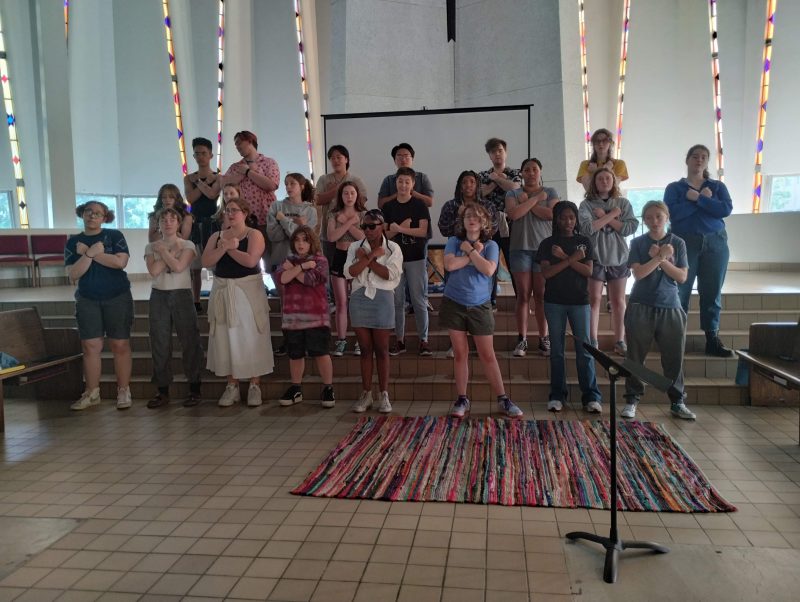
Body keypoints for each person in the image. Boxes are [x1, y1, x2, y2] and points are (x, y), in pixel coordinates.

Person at [443, 203, 523, 419]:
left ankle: (503, 399)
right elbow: (450, 266)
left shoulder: (490, 246)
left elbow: (488, 269)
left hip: (479, 304)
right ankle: (461, 398)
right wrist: (472, 254)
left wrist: (469, 251)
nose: (472, 220)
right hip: (454, 302)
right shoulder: (453, 241)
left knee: (487, 354)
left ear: (484, 222)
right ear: (463, 221)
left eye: (477, 217)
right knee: (460, 353)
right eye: (468, 216)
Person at [622, 201, 696, 421]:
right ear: (643, 220)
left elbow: (682, 277)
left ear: (667, 217)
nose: (654, 221)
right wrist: (660, 256)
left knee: (674, 357)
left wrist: (661, 258)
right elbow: (639, 274)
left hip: (670, 306)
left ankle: (677, 401)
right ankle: (632, 399)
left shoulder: (678, 243)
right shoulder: (637, 243)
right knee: (635, 356)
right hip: (640, 305)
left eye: (658, 217)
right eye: (649, 217)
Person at [202, 191, 274, 407]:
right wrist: (224, 246)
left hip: (247, 290)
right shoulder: (216, 236)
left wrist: (230, 249)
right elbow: (206, 261)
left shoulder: (254, 234)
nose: (230, 214)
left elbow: (251, 261)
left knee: (250, 336)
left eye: (235, 210)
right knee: (225, 337)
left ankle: (254, 385)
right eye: (227, 210)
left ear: (244, 213)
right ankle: (231, 385)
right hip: (223, 289)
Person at [664, 144, 734, 357]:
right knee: (680, 290)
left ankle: (712, 338)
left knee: (712, 291)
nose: (699, 160)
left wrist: (699, 199)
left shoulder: (717, 186)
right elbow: (673, 214)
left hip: (716, 243)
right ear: (687, 160)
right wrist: (699, 200)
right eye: (695, 156)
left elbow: (725, 210)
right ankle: (676, 338)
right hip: (684, 243)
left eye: (704, 157)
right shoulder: (675, 188)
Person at [65, 201, 133, 411]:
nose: (92, 216)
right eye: (88, 212)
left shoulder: (114, 236)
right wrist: (89, 254)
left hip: (117, 296)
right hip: (88, 298)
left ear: (105, 217)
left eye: (97, 213)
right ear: (82, 214)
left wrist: (93, 252)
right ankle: (92, 392)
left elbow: (120, 263)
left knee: (119, 345)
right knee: (90, 346)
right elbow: (73, 274)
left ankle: (123, 390)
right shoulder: (74, 242)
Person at [537, 201, 603, 413]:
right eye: (564, 217)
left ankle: (591, 397)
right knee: (557, 351)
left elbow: (588, 271)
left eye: (572, 217)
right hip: (554, 302)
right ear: (556, 219)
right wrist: (572, 259)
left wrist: (566, 258)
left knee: (585, 350)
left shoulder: (584, 242)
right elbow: (547, 273)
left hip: (580, 302)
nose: (568, 221)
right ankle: (557, 395)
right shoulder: (548, 244)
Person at [144, 207, 205, 408]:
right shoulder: (151, 246)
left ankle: (195, 388)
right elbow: (154, 271)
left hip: (182, 294)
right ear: (158, 224)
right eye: (164, 219)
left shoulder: (188, 244)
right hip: (159, 295)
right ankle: (162, 390)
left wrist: (163, 253)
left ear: (179, 223)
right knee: (160, 343)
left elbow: (179, 268)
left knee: (190, 341)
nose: (168, 222)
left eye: (172, 219)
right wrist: (169, 252)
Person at [344, 209, 403, 414]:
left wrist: (368, 259)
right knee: (365, 349)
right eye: (364, 226)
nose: (367, 230)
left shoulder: (393, 248)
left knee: (382, 348)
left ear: (382, 226)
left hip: (383, 297)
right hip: (360, 297)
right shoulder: (354, 246)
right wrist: (370, 256)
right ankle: (367, 393)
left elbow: (389, 274)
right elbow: (350, 272)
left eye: (372, 226)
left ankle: (384, 394)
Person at [579, 168, 639, 355]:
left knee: (618, 301)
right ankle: (592, 340)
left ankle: (620, 340)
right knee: (594, 300)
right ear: (594, 183)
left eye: (608, 178)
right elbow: (588, 229)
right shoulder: (587, 204)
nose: (604, 181)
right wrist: (612, 215)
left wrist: (607, 216)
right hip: (595, 257)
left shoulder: (623, 203)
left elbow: (629, 228)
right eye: (600, 178)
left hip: (618, 257)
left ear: (613, 181)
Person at [275, 226, 335, 409]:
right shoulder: (289, 260)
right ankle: (296, 388)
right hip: (293, 318)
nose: (300, 244)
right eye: (297, 240)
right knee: (295, 355)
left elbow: (310, 280)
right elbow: (282, 279)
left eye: (305, 240)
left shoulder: (320, 260)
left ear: (312, 242)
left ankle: (328, 388)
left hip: (316, 316)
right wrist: (301, 267)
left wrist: (294, 271)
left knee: (321, 353)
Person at [505, 158, 559, 358]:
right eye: (526, 170)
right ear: (521, 173)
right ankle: (522, 339)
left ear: (540, 171)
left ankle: (544, 339)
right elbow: (515, 214)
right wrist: (536, 200)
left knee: (541, 295)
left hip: (543, 250)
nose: (530, 173)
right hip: (519, 249)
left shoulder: (550, 192)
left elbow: (552, 215)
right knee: (523, 294)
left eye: (534, 169)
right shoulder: (512, 193)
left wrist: (529, 202)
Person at [377, 142, 435, 312]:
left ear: (412, 158)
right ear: (394, 160)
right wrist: (399, 191)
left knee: (419, 272)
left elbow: (430, 202)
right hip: (394, 235)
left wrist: (409, 190)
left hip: (418, 235)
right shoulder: (389, 180)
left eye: (406, 156)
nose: (403, 159)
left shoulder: (422, 178)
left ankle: (421, 301)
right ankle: (404, 303)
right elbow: (380, 204)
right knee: (397, 270)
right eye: (399, 156)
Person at [383, 167, 432, 356]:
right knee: (397, 301)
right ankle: (400, 341)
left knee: (419, 300)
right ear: (396, 183)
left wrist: (400, 229)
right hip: (394, 260)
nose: (403, 185)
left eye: (407, 182)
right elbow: (385, 234)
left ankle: (424, 340)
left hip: (416, 258)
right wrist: (398, 228)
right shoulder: (388, 207)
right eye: (400, 181)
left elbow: (422, 231)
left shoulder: (419, 205)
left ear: (413, 184)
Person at [224, 130, 280, 266]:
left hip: (265, 218)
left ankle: (273, 286)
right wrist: (242, 173)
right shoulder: (235, 167)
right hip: (244, 221)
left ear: (250, 141)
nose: (237, 147)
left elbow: (271, 185)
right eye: (235, 144)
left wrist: (249, 172)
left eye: (239, 143)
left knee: (270, 261)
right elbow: (224, 184)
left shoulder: (269, 162)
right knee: (245, 259)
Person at [314, 145, 368, 283]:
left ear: (346, 159)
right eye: (332, 158)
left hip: (354, 234)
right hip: (330, 231)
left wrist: (342, 191)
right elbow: (318, 200)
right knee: (333, 269)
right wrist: (337, 189)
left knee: (355, 271)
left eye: (339, 157)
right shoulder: (323, 179)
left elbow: (362, 202)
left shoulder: (356, 180)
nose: (335, 161)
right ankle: (335, 299)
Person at [478, 137, 522, 307]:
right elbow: (481, 193)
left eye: (500, 150)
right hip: (489, 225)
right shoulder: (482, 175)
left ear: (505, 152)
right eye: (493, 151)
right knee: (490, 265)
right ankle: (490, 301)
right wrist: (501, 181)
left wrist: (495, 179)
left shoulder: (515, 172)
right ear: (489, 155)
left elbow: (515, 188)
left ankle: (521, 300)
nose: (497, 154)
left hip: (512, 224)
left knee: (513, 263)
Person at [327, 181, 366, 356]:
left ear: (357, 195)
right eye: (345, 193)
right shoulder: (334, 214)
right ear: (341, 196)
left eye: (352, 193)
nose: (349, 196)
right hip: (340, 257)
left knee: (357, 302)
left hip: (358, 258)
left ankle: (360, 340)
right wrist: (349, 222)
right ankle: (341, 340)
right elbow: (331, 237)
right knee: (341, 302)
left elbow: (365, 238)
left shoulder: (363, 214)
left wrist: (349, 223)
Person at [184, 137, 222, 311]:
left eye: (203, 153)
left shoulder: (217, 177)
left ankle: (216, 299)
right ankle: (196, 301)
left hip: (212, 223)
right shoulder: (188, 178)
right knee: (195, 268)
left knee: (215, 266)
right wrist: (203, 183)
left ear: (211, 155)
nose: (200, 157)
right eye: (197, 153)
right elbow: (190, 199)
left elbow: (213, 195)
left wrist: (199, 182)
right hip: (194, 222)